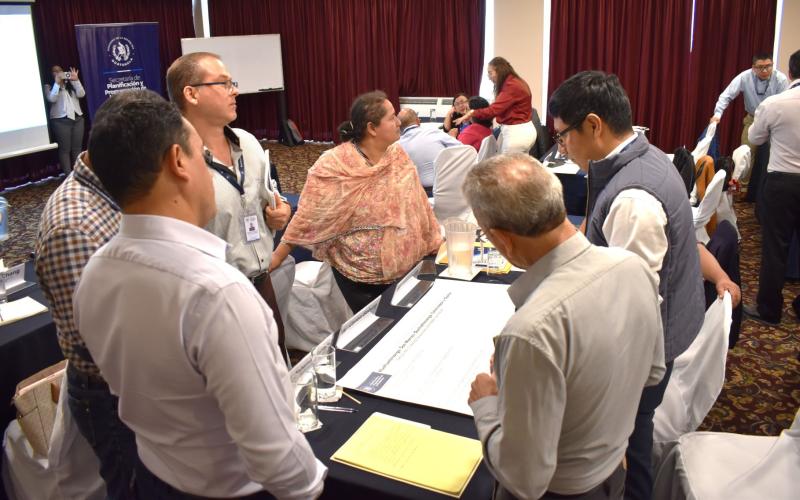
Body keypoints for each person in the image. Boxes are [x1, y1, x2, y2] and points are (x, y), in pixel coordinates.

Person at [73, 89, 327, 499]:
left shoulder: (96, 271)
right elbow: (279, 463)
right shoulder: (218, 293)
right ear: (178, 162)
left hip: (157, 475)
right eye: (200, 157)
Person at [465, 154, 665, 500]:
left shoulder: (530, 331)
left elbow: (524, 479)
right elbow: (652, 372)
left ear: (501, 239)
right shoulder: (634, 267)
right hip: (615, 471)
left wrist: (487, 403)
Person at [549, 71, 705, 500]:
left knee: (629, 441)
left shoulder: (633, 198)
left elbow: (632, 308)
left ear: (594, 125)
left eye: (563, 137)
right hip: (669, 327)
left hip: (647, 353)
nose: (562, 149)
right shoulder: (646, 154)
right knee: (633, 435)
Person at [166, 52, 294, 357]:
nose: (234, 90)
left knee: (276, 368)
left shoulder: (248, 142)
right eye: (223, 83)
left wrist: (280, 213)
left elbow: (269, 196)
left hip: (262, 284)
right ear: (191, 93)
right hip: (215, 300)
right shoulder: (174, 161)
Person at [271, 91, 442, 313]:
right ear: (372, 128)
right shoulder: (334, 165)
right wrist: (277, 256)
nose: (399, 122)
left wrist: (434, 242)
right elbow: (308, 216)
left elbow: (418, 203)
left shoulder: (397, 154)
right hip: (359, 278)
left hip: (408, 267)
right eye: (392, 118)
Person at [34, 122, 134, 497]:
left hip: (132, 388)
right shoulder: (74, 228)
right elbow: (98, 347)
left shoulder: (112, 193)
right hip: (112, 394)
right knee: (132, 485)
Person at [744, 49, 800, 325]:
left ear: (789, 73)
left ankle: (769, 309)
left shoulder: (776, 103)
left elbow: (755, 136)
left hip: (783, 181)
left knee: (776, 246)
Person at [710, 52, 789, 150]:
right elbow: (726, 95)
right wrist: (717, 114)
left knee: (772, 155)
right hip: (752, 119)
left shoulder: (781, 79)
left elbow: (785, 103)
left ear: (772, 64)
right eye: (760, 67)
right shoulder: (745, 77)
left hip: (773, 121)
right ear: (753, 68)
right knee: (745, 153)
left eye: (768, 66)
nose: (764, 70)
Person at [455, 57, 536, 153]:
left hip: (517, 133)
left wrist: (471, 113)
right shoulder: (516, 82)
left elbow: (493, 111)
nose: (489, 77)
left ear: (499, 71)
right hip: (520, 131)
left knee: (508, 167)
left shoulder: (512, 86)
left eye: (490, 73)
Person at [397, 107, 462, 194]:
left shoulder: (396, 146)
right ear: (418, 121)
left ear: (399, 127)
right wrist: (452, 137)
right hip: (446, 190)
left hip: (415, 194)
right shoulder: (434, 132)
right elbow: (462, 149)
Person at [44, 65, 85, 174]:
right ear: (51, 74)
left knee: (77, 148)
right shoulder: (48, 86)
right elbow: (52, 99)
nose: (58, 72)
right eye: (55, 71)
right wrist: (57, 84)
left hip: (78, 119)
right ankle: (68, 176)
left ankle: (79, 174)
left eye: (60, 70)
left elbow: (82, 94)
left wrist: (76, 80)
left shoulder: (70, 83)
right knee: (65, 149)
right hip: (60, 121)